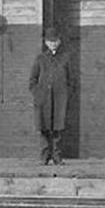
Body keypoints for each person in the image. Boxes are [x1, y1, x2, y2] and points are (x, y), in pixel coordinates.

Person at [29, 26, 72, 165]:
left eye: (55, 41)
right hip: (44, 100)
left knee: (58, 129)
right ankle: (44, 156)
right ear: (46, 43)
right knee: (44, 128)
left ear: (59, 42)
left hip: (59, 100)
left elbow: (72, 80)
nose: (53, 43)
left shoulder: (65, 58)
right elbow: (32, 80)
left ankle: (57, 156)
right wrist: (38, 94)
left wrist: (66, 94)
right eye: (50, 41)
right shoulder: (40, 59)